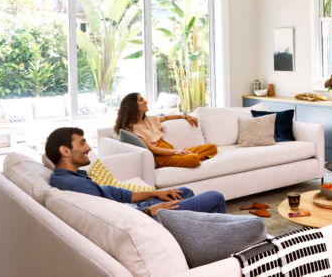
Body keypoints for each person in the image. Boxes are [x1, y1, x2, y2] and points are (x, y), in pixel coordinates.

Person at [46, 127, 225, 220]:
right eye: (82, 143)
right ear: (65, 150)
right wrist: (151, 210)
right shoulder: (76, 186)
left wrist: (155, 193)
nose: (88, 147)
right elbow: (114, 218)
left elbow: (116, 193)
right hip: (142, 219)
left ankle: (190, 230)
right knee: (215, 197)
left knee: (183, 192)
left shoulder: (66, 177)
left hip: (139, 211)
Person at [114, 93, 217, 169]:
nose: (145, 101)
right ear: (132, 106)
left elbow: (167, 118)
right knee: (193, 159)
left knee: (212, 147)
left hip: (171, 150)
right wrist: (176, 151)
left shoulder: (149, 119)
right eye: (141, 100)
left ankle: (188, 158)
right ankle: (191, 158)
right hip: (161, 157)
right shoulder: (133, 128)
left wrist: (186, 116)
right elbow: (152, 149)